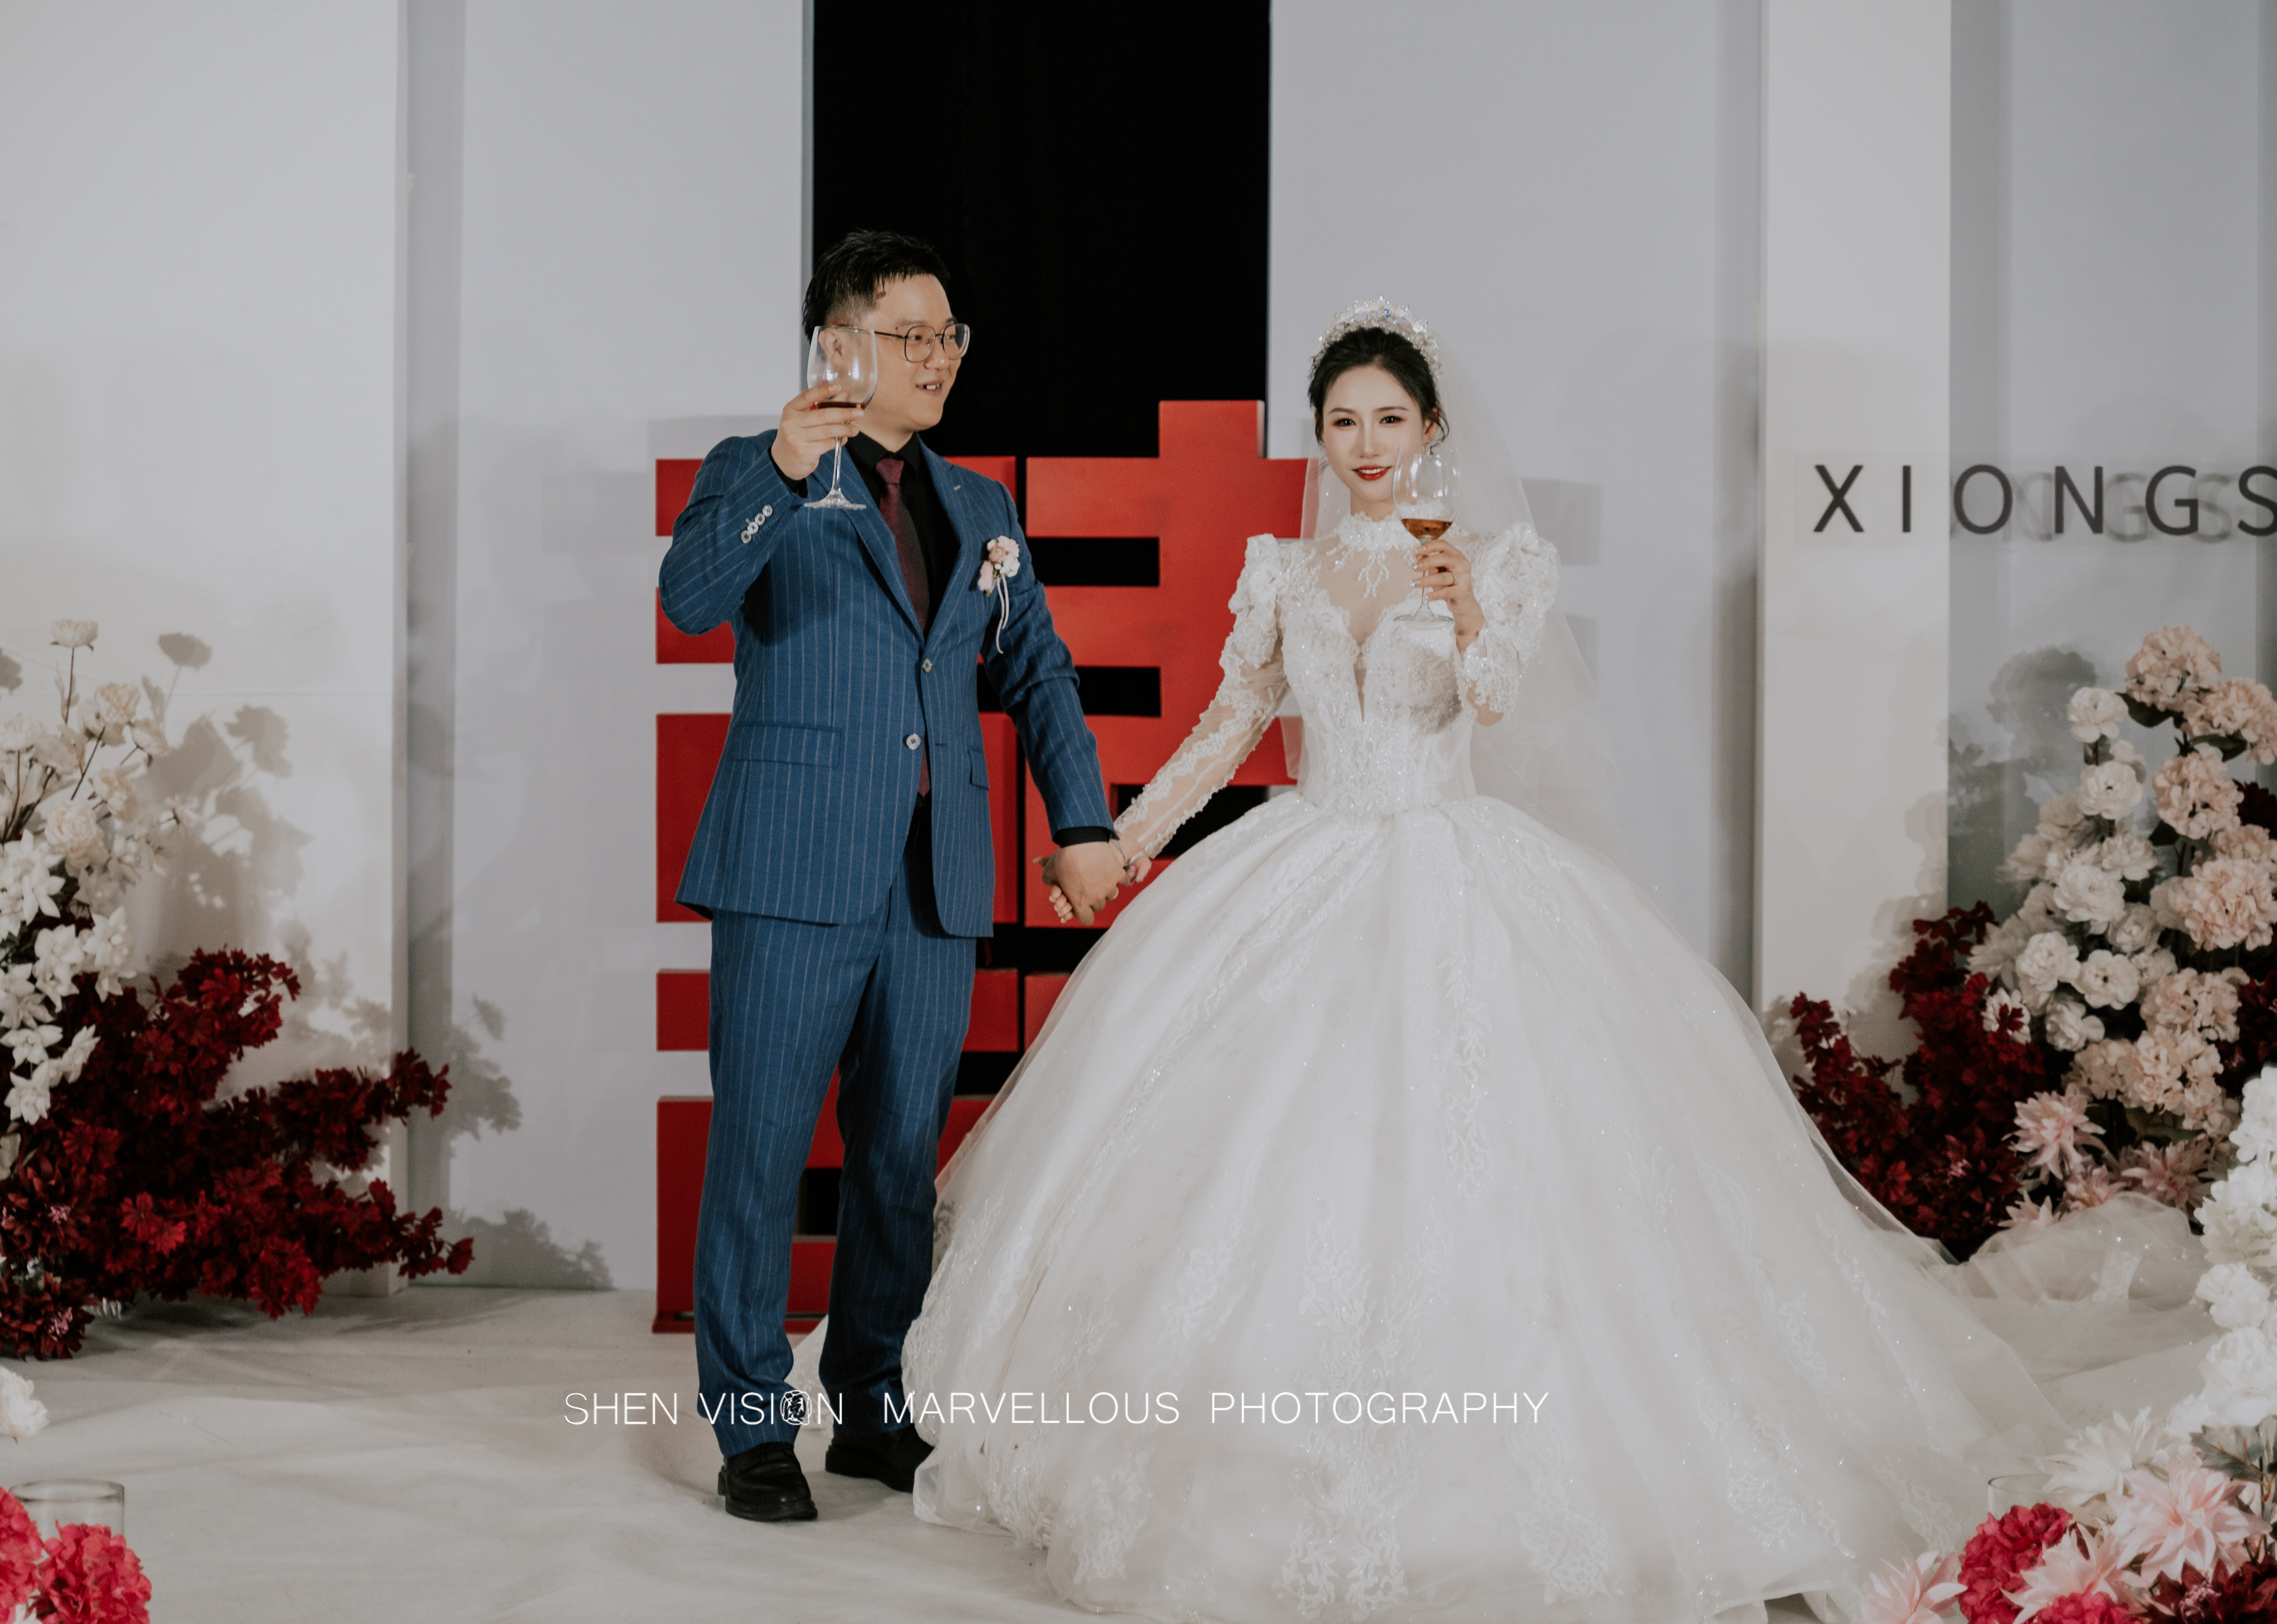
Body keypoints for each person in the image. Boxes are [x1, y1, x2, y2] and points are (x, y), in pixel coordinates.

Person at [889, 299, 2183, 1622]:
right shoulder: (1285, 570)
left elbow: (1502, 702)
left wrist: (1464, 613)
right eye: (1343, 421)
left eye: (1390, 418)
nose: (1367, 443)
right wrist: (1124, 838)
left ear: (1430, 428)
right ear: (1320, 435)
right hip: (1311, 856)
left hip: (1452, 863)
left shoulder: (1497, 559)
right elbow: (1233, 723)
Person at [659, 230, 1128, 1524]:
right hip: (791, 869)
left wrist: (1082, 818)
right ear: (839, 345)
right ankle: (753, 1427)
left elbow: (1036, 669)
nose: (939, 358)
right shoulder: (756, 470)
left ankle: (870, 1401)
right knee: (760, 1153)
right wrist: (782, 467)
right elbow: (690, 599)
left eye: (949, 336)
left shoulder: (980, 506)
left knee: (897, 1162)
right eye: (911, 335)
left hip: (935, 881)